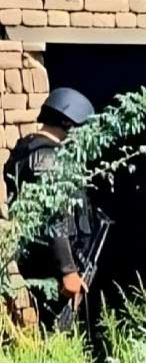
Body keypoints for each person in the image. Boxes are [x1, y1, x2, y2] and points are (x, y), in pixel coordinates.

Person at [4, 87, 96, 330]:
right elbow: (53, 216)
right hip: (52, 267)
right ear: (68, 122)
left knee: (53, 328)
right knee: (57, 329)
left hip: (43, 261)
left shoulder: (28, 149)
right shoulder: (48, 158)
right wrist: (68, 270)